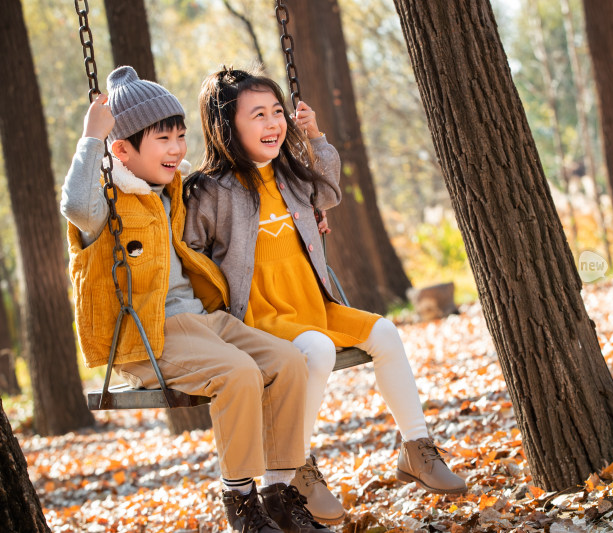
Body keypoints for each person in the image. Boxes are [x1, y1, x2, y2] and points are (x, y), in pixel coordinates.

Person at [183, 66, 468, 525]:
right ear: (225, 126)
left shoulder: (288, 174)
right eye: (257, 115)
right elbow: (190, 253)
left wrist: (314, 138)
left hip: (314, 302)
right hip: (258, 316)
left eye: (277, 111)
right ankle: (294, 464)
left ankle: (417, 448)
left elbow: (328, 191)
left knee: (385, 332)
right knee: (315, 350)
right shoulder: (211, 191)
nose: (273, 122)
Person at [61, 66, 332, 533]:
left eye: (180, 136)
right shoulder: (104, 202)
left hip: (202, 322)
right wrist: (92, 140)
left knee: (289, 363)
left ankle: (278, 490)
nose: (176, 149)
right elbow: (77, 207)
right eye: (163, 140)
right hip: (148, 335)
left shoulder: (173, 192)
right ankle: (241, 504)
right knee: (239, 374)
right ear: (121, 150)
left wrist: (310, 215)